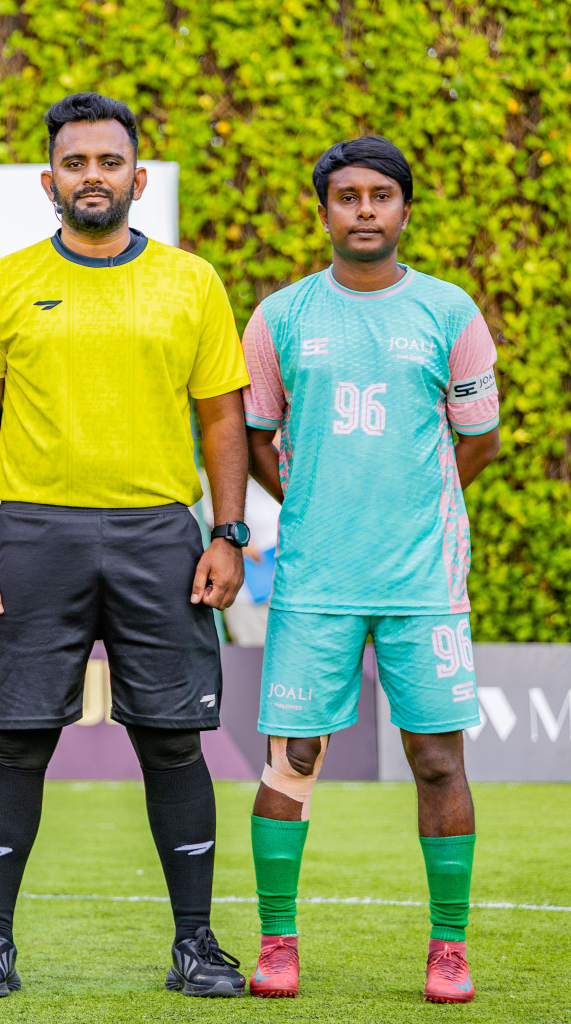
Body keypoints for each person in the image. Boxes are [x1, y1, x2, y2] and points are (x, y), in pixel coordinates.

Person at [0, 92, 251, 999]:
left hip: (161, 536)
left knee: (174, 742)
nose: (92, 177)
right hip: (35, 535)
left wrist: (228, 533)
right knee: (17, 742)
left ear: (137, 179)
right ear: (48, 180)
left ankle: (196, 943)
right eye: (74, 162)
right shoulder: (1, 283)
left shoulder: (191, 282)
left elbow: (222, 420)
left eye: (108, 162)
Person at [242, 136, 500, 1003]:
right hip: (315, 581)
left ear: (404, 210)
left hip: (423, 582)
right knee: (293, 757)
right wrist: (317, 502)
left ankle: (449, 950)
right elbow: (255, 438)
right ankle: (277, 944)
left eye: (380, 195)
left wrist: (413, 505)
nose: (363, 209)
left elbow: (479, 440)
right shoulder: (281, 316)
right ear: (324, 211)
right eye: (347, 196)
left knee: (437, 761)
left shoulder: (449, 311)